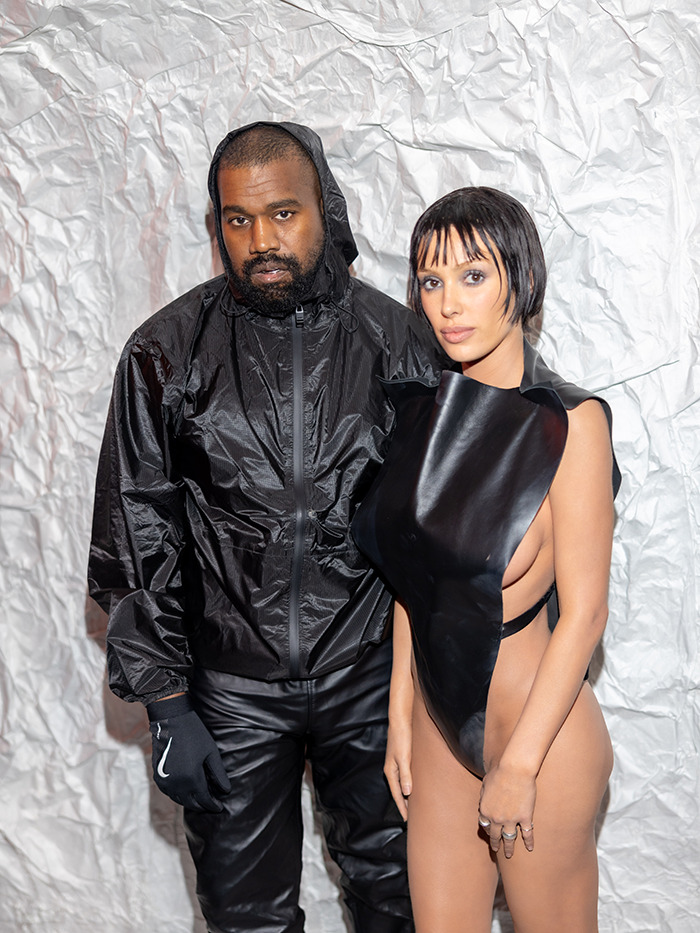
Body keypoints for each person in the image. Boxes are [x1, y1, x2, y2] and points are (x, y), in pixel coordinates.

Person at [88, 121, 446, 933]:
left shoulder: (398, 345)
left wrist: (447, 691)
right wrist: (171, 706)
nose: (261, 241)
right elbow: (139, 528)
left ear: (326, 206)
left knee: (401, 901)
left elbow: (446, 532)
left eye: (283, 213)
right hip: (230, 693)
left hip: (372, 682)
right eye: (238, 220)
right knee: (246, 917)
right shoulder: (165, 355)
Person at [351, 187, 621, 932]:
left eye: (472, 275)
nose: (448, 303)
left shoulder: (571, 422)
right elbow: (414, 574)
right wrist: (400, 715)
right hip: (440, 727)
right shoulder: (417, 409)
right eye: (431, 281)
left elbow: (587, 610)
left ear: (521, 278)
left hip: (542, 731)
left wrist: (523, 763)